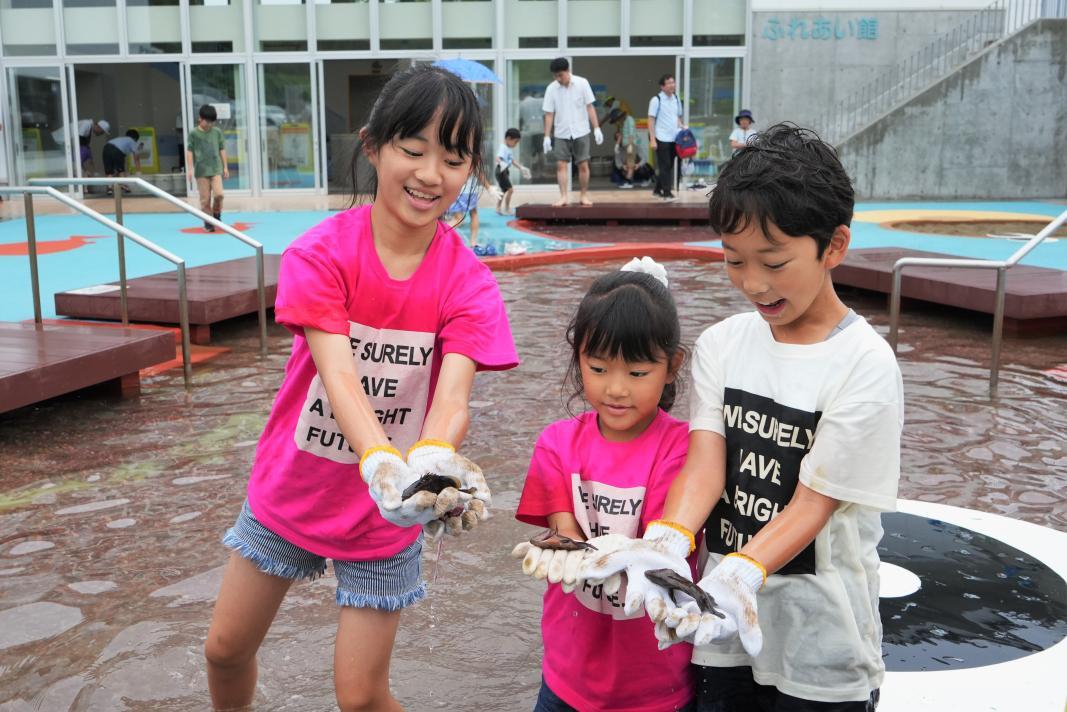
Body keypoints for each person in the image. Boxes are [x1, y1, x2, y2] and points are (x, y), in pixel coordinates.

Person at [203, 64, 519, 712]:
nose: (431, 174)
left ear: (471, 171)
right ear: (373, 145)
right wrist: (378, 455)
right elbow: (338, 370)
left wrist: (428, 461)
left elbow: (452, 397)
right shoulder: (320, 254)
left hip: (389, 511)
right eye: (413, 149)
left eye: (453, 158)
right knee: (224, 649)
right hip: (294, 486)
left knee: (360, 695)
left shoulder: (468, 283)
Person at [581, 124, 904, 711]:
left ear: (834, 246)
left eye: (775, 262)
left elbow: (813, 503)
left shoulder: (865, 364)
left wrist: (741, 573)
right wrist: (667, 540)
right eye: (734, 261)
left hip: (820, 639)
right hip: (720, 635)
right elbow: (707, 467)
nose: (753, 283)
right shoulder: (724, 344)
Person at [511, 257, 696, 712]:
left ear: (672, 366)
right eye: (598, 369)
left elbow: (657, 546)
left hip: (658, 681)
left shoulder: (683, 449)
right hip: (567, 676)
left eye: (636, 373)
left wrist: (585, 556)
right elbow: (564, 528)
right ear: (578, 359)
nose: (616, 389)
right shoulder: (556, 444)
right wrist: (560, 547)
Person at [542, 57, 604, 207]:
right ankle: (563, 196)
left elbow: (590, 106)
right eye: (555, 76)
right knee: (561, 164)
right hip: (561, 132)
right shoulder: (551, 88)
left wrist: (596, 128)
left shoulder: (582, 83)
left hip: (581, 130)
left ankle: (583, 195)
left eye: (560, 75)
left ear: (567, 71)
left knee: (583, 164)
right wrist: (546, 136)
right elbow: (549, 114)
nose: (557, 79)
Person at [186, 104, 230, 232]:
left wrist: (225, 167)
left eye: (212, 122)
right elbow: (189, 151)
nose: (209, 124)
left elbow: (222, 149)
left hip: (216, 169)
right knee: (205, 199)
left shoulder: (216, 132)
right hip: (201, 171)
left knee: (219, 194)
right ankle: (208, 221)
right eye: (207, 121)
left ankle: (216, 214)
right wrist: (190, 169)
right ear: (201, 118)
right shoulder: (194, 133)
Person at [647, 74, 684, 201]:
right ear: (662, 86)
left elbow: (677, 117)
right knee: (665, 165)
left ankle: (657, 190)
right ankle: (666, 193)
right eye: (669, 83)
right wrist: (652, 139)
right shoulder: (656, 100)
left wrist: (682, 126)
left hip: (675, 138)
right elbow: (651, 120)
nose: (672, 85)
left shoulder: (677, 99)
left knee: (668, 166)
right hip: (661, 137)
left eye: (673, 82)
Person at [446, 167, 499, 248]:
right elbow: (478, 172)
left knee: (459, 218)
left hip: (456, 189)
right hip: (468, 191)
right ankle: (439, 235)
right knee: (465, 217)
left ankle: (472, 242)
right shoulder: (473, 156)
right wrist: (489, 188)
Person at [495, 127, 530, 215]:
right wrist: (502, 163)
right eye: (515, 142)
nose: (516, 144)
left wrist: (521, 168)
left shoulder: (508, 147)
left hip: (504, 170)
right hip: (501, 170)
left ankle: (498, 207)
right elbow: (497, 157)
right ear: (508, 139)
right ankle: (506, 208)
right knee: (510, 190)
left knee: (504, 190)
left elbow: (512, 161)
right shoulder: (503, 147)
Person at [102, 129, 142, 194]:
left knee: (109, 171)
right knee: (121, 170)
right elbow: (136, 157)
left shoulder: (121, 139)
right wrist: (138, 171)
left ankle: (109, 188)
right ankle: (124, 185)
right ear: (135, 138)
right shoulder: (131, 140)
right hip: (117, 150)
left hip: (106, 148)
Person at [612, 112, 641, 188]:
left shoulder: (629, 120)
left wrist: (630, 144)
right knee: (629, 164)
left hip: (630, 144)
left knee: (630, 164)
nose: (618, 121)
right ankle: (628, 181)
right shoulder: (624, 122)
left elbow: (631, 133)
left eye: (618, 119)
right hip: (627, 144)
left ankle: (628, 182)